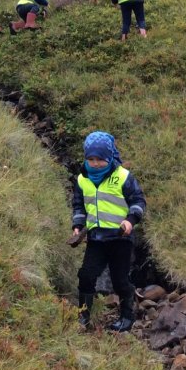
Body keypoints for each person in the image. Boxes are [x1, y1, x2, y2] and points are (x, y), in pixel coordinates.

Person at [72, 131, 146, 332]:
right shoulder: (82, 179)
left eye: (100, 160)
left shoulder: (123, 177)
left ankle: (127, 316)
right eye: (91, 159)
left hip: (121, 238)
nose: (95, 164)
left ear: (110, 157)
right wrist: (77, 226)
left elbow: (138, 201)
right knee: (86, 275)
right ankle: (83, 317)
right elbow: (79, 205)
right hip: (95, 238)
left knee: (119, 280)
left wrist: (130, 221)